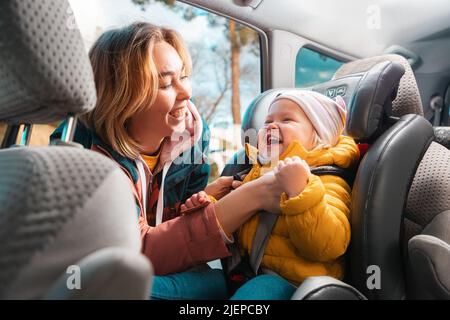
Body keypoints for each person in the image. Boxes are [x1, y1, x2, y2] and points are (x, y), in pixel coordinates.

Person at [51, 22, 283, 300]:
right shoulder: (86, 156)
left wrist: (203, 200)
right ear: (123, 97)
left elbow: (169, 237)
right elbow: (136, 251)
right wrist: (251, 197)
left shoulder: (194, 138)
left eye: (184, 76)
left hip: (155, 274)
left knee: (216, 282)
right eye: (165, 83)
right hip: (87, 272)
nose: (186, 93)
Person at [184, 90, 360, 299]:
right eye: (267, 121)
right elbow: (236, 223)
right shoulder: (255, 171)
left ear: (319, 136)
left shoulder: (328, 179)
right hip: (246, 275)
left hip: (294, 286)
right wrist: (208, 203)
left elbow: (329, 245)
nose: (271, 126)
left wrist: (300, 191)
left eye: (287, 119)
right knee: (194, 278)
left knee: (262, 287)